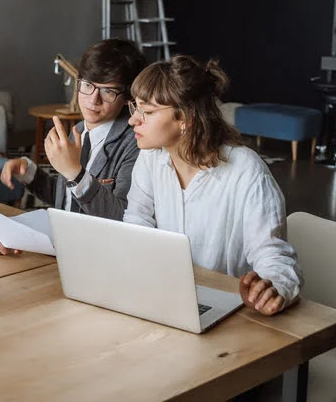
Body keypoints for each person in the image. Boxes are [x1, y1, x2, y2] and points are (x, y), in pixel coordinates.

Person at [123, 55, 302, 316]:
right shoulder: (151, 157)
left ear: (184, 118)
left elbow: (273, 255)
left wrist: (272, 288)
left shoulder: (247, 171)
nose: (133, 121)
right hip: (167, 299)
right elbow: (137, 221)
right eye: (135, 108)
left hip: (230, 313)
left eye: (147, 112)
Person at [0, 39, 148, 256]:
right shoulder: (78, 130)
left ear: (127, 97)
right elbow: (68, 200)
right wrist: (29, 172)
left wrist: (75, 173)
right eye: (87, 85)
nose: (93, 99)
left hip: (102, 256)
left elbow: (122, 218)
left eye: (108, 91)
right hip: (63, 249)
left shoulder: (135, 144)